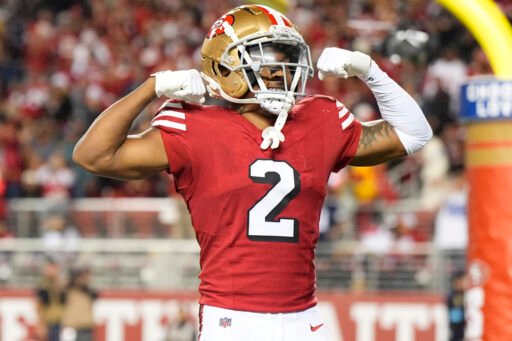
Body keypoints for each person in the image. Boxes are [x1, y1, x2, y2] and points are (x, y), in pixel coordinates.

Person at [73, 5, 432, 340]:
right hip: (233, 319)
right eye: (264, 61)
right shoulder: (195, 126)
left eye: (286, 59)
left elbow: (414, 133)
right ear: (225, 70)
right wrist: (151, 88)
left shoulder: (319, 117)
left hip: (305, 317)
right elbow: (94, 156)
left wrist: (368, 70)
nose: (279, 72)